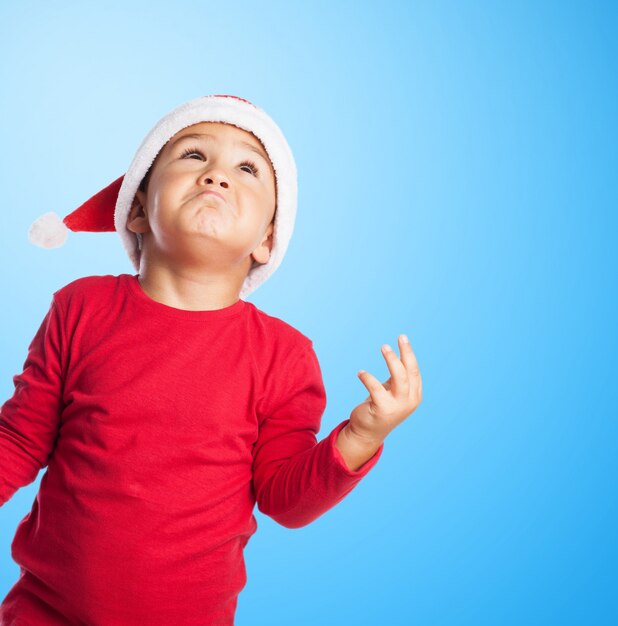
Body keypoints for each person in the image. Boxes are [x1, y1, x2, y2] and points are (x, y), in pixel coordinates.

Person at [0, 94, 423, 625]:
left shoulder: (284, 357)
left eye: (247, 167)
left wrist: (359, 438)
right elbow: (19, 440)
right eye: (194, 156)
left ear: (267, 239)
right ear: (135, 208)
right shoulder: (80, 307)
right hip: (44, 611)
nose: (217, 177)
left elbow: (284, 501)